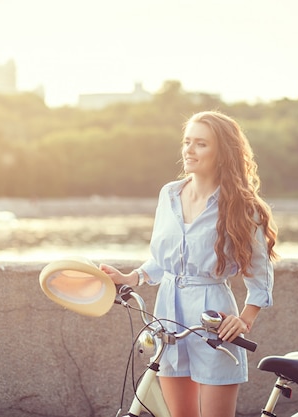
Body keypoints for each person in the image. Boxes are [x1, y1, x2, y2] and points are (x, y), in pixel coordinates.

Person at [100, 110, 278, 417]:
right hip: (167, 313)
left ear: (222, 153)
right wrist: (133, 277)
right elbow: (163, 258)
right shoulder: (169, 194)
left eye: (201, 144)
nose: (189, 150)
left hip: (214, 319)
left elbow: (261, 272)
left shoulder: (243, 206)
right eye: (187, 142)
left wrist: (246, 319)